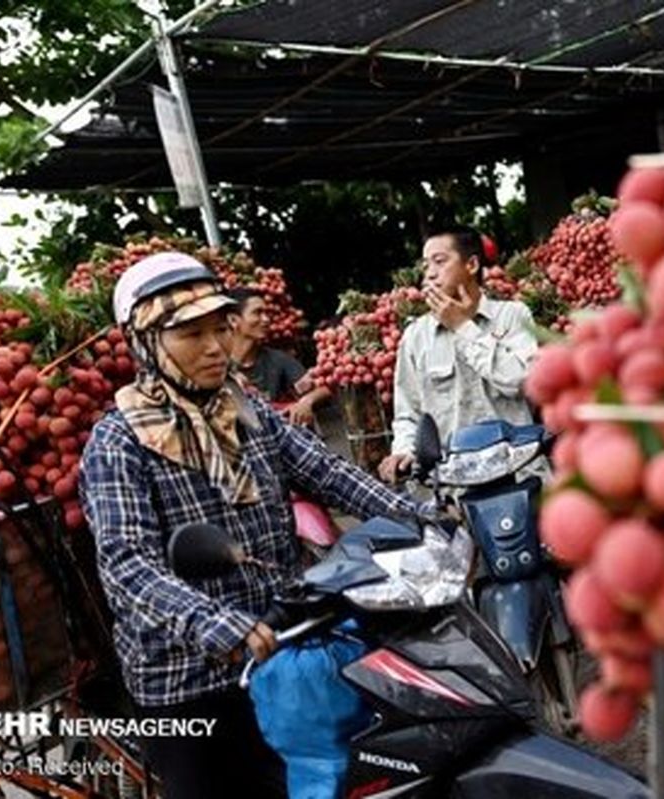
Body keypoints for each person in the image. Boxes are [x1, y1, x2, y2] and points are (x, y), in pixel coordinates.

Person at [79, 252, 417, 799]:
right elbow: (126, 564)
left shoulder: (247, 409)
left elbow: (327, 472)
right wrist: (213, 622)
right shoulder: (118, 442)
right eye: (191, 334)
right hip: (187, 680)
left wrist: (423, 516)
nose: (215, 347)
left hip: (279, 653)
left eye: (220, 328)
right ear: (146, 343)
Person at [378, 225, 538, 483]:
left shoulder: (513, 316)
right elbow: (408, 413)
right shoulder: (416, 337)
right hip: (457, 487)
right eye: (425, 265)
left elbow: (520, 381)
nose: (429, 274)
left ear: (472, 264)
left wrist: (463, 327)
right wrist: (403, 451)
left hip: (521, 475)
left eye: (439, 261)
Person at [228, 287, 329, 425]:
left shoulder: (277, 359)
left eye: (266, 313)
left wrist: (306, 402)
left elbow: (322, 387)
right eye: (257, 313)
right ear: (233, 320)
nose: (266, 319)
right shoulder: (217, 364)